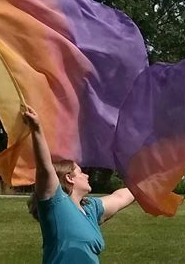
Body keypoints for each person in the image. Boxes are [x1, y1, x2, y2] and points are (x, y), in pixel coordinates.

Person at [23, 104, 135, 263]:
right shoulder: (56, 204)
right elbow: (45, 169)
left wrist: (150, 180)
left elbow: (121, 197)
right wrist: (37, 129)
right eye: (81, 172)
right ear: (69, 178)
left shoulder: (91, 209)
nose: (87, 175)